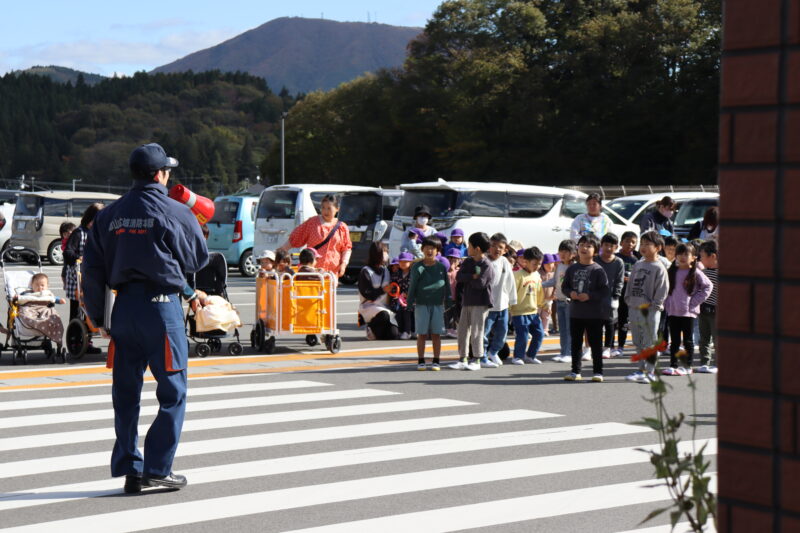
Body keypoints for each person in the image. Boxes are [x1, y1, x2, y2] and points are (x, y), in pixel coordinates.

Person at [81, 143, 209, 493]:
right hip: (161, 307)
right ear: (160, 174)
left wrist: (98, 317)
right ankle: (156, 469)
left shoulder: (108, 215)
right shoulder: (174, 210)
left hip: (123, 310)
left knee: (126, 393)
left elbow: (91, 271)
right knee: (172, 392)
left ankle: (131, 468)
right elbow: (197, 259)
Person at [561, 234, 609, 382]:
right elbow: (565, 286)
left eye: (588, 246)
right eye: (581, 245)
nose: (584, 248)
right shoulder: (572, 268)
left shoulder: (598, 270)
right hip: (576, 312)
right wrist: (571, 293)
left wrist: (590, 296)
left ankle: (598, 372)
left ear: (595, 251)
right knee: (576, 343)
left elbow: (604, 291)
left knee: (595, 344)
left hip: (594, 314)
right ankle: (576, 371)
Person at [624, 231, 669, 384]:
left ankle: (651, 372)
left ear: (658, 247)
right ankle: (641, 369)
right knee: (637, 341)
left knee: (649, 341)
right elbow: (630, 284)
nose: (643, 247)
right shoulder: (638, 264)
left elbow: (663, 289)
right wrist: (629, 300)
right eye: (641, 244)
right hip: (634, 307)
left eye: (647, 244)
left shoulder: (659, 267)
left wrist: (655, 305)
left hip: (650, 310)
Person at [662, 242, 712, 376]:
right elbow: (665, 289)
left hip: (688, 313)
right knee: (675, 341)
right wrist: (667, 303)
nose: (682, 257)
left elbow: (708, 286)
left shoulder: (695, 272)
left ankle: (687, 366)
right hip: (673, 311)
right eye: (680, 254)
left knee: (688, 340)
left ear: (693, 257)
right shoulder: (671, 271)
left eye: (686, 254)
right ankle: (673, 365)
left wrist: (694, 302)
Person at [63, 203, 105, 355]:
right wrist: (78, 257)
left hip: (93, 278)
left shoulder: (99, 233)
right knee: (76, 310)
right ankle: (76, 341)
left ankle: (88, 340)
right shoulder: (79, 233)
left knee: (90, 310)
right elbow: (68, 253)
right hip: (78, 278)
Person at [449, 232, 494, 371]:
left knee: (477, 331)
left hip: (481, 302)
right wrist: (472, 275)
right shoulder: (468, 261)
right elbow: (459, 277)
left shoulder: (487, 264)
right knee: (462, 330)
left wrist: (470, 278)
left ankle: (477, 359)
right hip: (467, 301)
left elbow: (480, 284)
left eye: (469, 245)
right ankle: (463, 358)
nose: (467, 247)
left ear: (478, 248)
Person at [277, 194, 351, 278]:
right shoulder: (312, 222)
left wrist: (344, 264)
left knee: (330, 291)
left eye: (329, 208)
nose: (325, 211)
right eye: (323, 208)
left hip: (332, 273)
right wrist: (280, 252)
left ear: (337, 209)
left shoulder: (342, 227)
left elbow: (346, 248)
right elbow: (296, 238)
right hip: (312, 273)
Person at [407, 237, 451, 370]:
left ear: (438, 251)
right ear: (422, 249)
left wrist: (449, 300)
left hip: (438, 304)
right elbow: (412, 286)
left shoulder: (442, 267)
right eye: (427, 247)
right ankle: (421, 360)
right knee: (422, 334)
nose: (429, 250)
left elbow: (447, 286)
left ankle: (436, 360)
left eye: (433, 248)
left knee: (436, 334)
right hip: (421, 304)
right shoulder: (417, 267)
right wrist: (409, 302)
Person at [482, 233, 517, 368]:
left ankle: (493, 352)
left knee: (502, 332)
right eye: (493, 246)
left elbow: (510, 281)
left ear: (505, 249)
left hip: (502, 304)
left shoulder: (505, 262)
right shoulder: (485, 261)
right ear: (488, 247)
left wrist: (512, 300)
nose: (497, 249)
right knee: (484, 332)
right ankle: (483, 355)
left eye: (500, 247)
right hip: (488, 305)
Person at [510, 247, 545, 366]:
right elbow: (512, 292)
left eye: (539, 264)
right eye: (535, 264)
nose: (537, 267)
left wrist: (543, 304)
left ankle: (530, 355)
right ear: (526, 261)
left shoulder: (537, 275)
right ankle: (518, 356)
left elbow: (539, 291)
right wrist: (509, 308)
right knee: (523, 336)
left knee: (539, 333)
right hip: (519, 312)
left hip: (533, 311)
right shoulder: (517, 275)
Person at [357, 242, 398, 341]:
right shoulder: (365, 271)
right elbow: (368, 294)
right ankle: (370, 327)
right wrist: (382, 290)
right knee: (383, 315)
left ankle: (378, 332)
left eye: (386, 251)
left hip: (385, 307)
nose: (386, 254)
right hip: (370, 307)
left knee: (393, 335)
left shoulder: (386, 270)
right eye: (384, 251)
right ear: (377, 253)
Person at [545, 240, 577, 363]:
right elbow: (554, 281)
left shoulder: (574, 267)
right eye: (561, 251)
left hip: (570, 302)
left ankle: (569, 353)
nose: (563, 254)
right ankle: (563, 352)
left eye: (566, 251)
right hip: (559, 300)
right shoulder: (559, 266)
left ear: (573, 253)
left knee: (569, 329)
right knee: (562, 329)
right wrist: (540, 283)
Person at [596, 233, 625, 359]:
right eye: (606, 245)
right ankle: (595, 346)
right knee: (596, 323)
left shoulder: (618, 262)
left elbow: (620, 280)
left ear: (616, 247)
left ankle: (607, 348)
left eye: (612, 246)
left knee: (610, 323)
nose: (608, 248)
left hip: (611, 296)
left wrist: (616, 296)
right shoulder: (596, 259)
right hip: (596, 296)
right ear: (601, 245)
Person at [615, 231, 640, 356]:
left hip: (630, 295)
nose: (630, 244)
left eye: (633, 242)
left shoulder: (636, 260)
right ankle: (612, 346)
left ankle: (622, 345)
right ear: (621, 243)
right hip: (616, 294)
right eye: (627, 241)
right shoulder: (616, 257)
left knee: (625, 322)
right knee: (615, 321)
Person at [697, 240, 719, 373]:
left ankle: (717, 363)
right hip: (703, 309)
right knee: (704, 338)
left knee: (717, 339)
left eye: (703, 256)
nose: (700, 259)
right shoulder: (702, 272)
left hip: (717, 311)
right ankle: (705, 362)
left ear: (713, 256)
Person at [390, 252, 414, 339]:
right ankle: (400, 330)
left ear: (410, 263)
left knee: (406, 311)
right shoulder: (396, 274)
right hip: (397, 299)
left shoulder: (414, 274)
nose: (403, 264)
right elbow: (393, 286)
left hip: (411, 300)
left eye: (406, 262)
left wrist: (408, 294)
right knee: (398, 313)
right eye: (401, 262)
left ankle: (408, 331)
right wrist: (396, 294)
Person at [445, 247, 462, 338]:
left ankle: (455, 329)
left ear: (459, 260)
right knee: (447, 313)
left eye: (455, 259)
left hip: (457, 297)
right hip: (447, 297)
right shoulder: (444, 272)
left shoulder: (459, 271)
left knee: (456, 314)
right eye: (450, 258)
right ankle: (448, 329)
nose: (452, 261)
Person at [538, 254, 557, 335]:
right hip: (539, 299)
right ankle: (537, 330)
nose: (550, 265)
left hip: (549, 299)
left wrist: (554, 294)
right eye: (547, 264)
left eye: (551, 263)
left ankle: (545, 329)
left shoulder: (554, 274)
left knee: (546, 315)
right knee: (537, 314)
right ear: (543, 264)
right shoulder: (538, 273)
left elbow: (556, 286)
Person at [59, 221, 76, 287]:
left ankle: (66, 283)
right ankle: (65, 284)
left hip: (71, 258)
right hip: (67, 258)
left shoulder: (75, 239)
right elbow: (64, 248)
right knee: (64, 271)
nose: (67, 235)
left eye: (69, 234)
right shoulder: (65, 241)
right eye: (65, 234)